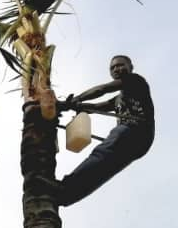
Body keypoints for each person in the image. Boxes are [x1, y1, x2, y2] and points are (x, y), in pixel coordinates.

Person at [42, 54, 155, 206]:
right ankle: (67, 194)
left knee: (101, 154)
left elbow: (102, 89)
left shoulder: (136, 80)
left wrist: (76, 99)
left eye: (121, 65)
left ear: (130, 67)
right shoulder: (118, 99)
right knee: (106, 167)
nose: (117, 69)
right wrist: (69, 106)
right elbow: (95, 108)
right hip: (138, 144)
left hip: (137, 131)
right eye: (113, 67)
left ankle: (64, 185)